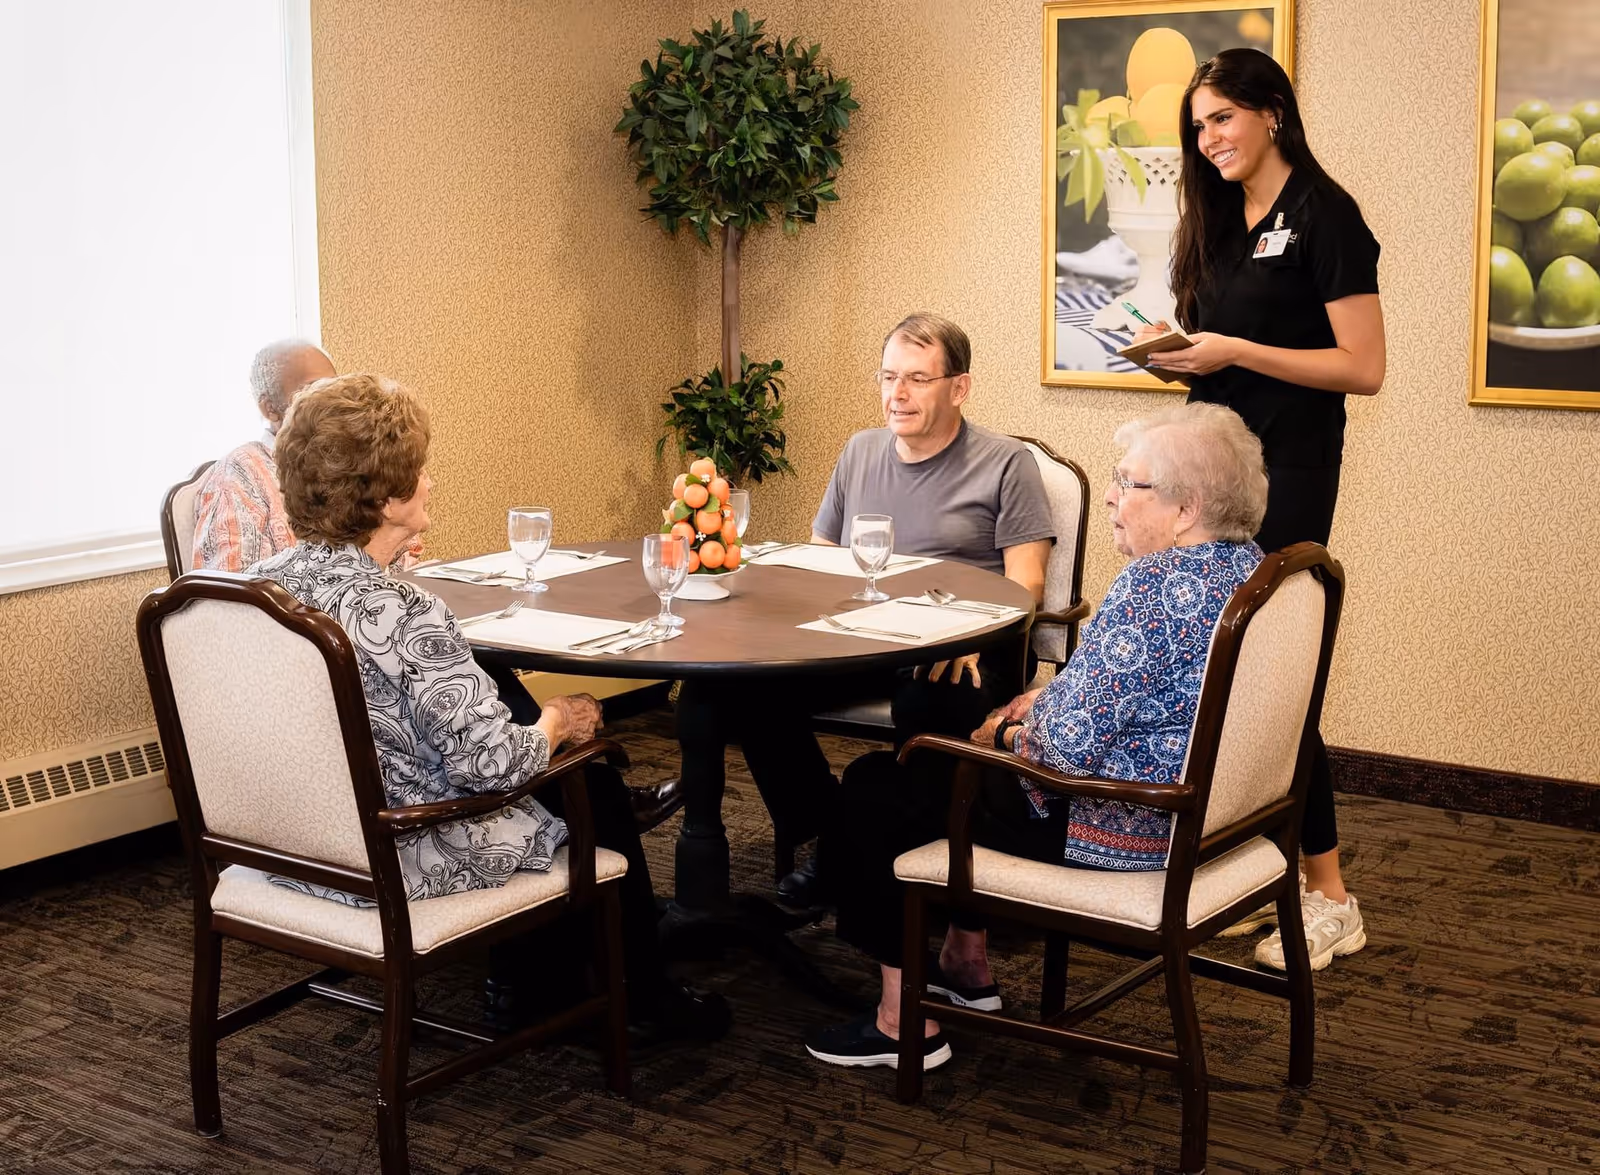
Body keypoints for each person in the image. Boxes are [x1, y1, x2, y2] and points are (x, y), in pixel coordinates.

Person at [249, 373, 726, 1042]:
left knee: (531, 734)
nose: (430, 481)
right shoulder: (405, 612)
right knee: (588, 775)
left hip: (285, 847)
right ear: (385, 498)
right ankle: (637, 992)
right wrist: (561, 720)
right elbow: (494, 768)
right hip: (394, 854)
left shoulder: (253, 589)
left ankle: (529, 981)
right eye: (419, 470)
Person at [805, 402, 1268, 1070]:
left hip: (1119, 820)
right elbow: (1151, 684)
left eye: (1129, 483)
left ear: (1187, 507)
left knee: (878, 785)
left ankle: (902, 1022)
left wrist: (1010, 727)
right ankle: (965, 963)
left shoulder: (1150, 587)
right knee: (933, 771)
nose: (1108, 496)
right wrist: (1046, 697)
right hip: (1211, 812)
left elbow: (1064, 751)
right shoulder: (1248, 572)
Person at [1133, 48, 1381, 971]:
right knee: (1215, 675)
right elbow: (1216, 345)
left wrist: (1237, 348)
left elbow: (1363, 367)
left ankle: (1331, 895)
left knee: (1274, 672)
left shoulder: (1326, 215)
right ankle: (1260, 875)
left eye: (1223, 120)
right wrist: (1179, 354)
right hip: (1213, 472)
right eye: (1197, 127)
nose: (1209, 140)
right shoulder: (1217, 218)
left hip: (1290, 470)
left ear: (1271, 111)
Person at [674, 313, 1055, 905]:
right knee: (742, 686)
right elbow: (819, 562)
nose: (896, 395)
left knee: (934, 700)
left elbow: (1025, 585)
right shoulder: (860, 450)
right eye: (888, 377)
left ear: (959, 387)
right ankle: (836, 833)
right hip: (859, 637)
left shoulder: (1008, 464)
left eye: (917, 380)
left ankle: (922, 875)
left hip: (959, 648)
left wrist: (970, 636)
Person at [191, 340, 335, 572]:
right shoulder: (236, 477)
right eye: (313, 391)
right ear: (270, 409)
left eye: (336, 388)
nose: (332, 403)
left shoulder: (346, 459)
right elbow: (232, 590)